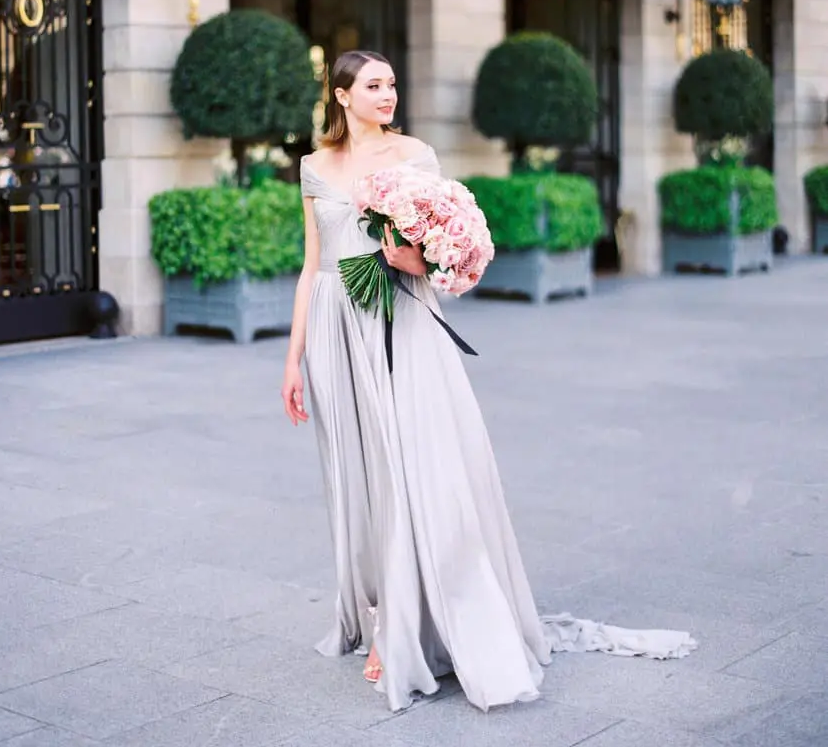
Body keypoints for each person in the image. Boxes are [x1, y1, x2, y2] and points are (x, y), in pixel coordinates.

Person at [281, 49, 696, 713]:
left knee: (412, 465)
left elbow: (441, 250)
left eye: (393, 83)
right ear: (341, 96)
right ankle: (380, 603)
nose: (389, 94)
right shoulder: (313, 168)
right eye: (375, 85)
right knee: (360, 472)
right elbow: (311, 265)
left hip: (403, 323)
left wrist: (409, 254)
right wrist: (293, 357)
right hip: (336, 329)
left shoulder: (414, 156)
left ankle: (407, 627)